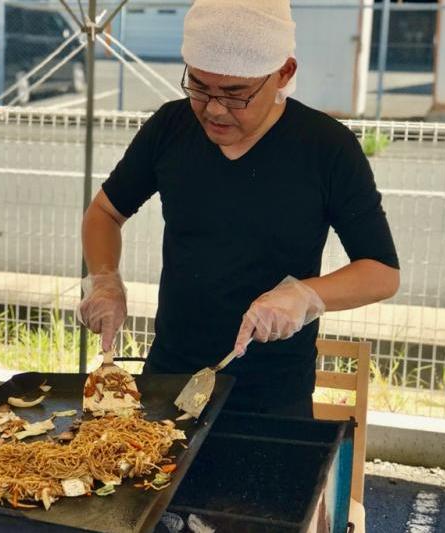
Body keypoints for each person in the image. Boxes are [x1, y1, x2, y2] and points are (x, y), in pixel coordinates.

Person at [77, 0, 400, 418]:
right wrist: (104, 278)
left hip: (272, 398)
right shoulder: (170, 128)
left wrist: (305, 295)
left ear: (284, 73)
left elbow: (381, 272)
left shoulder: (326, 147)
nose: (213, 109)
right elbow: (104, 213)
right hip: (167, 384)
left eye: (235, 94)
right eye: (199, 86)